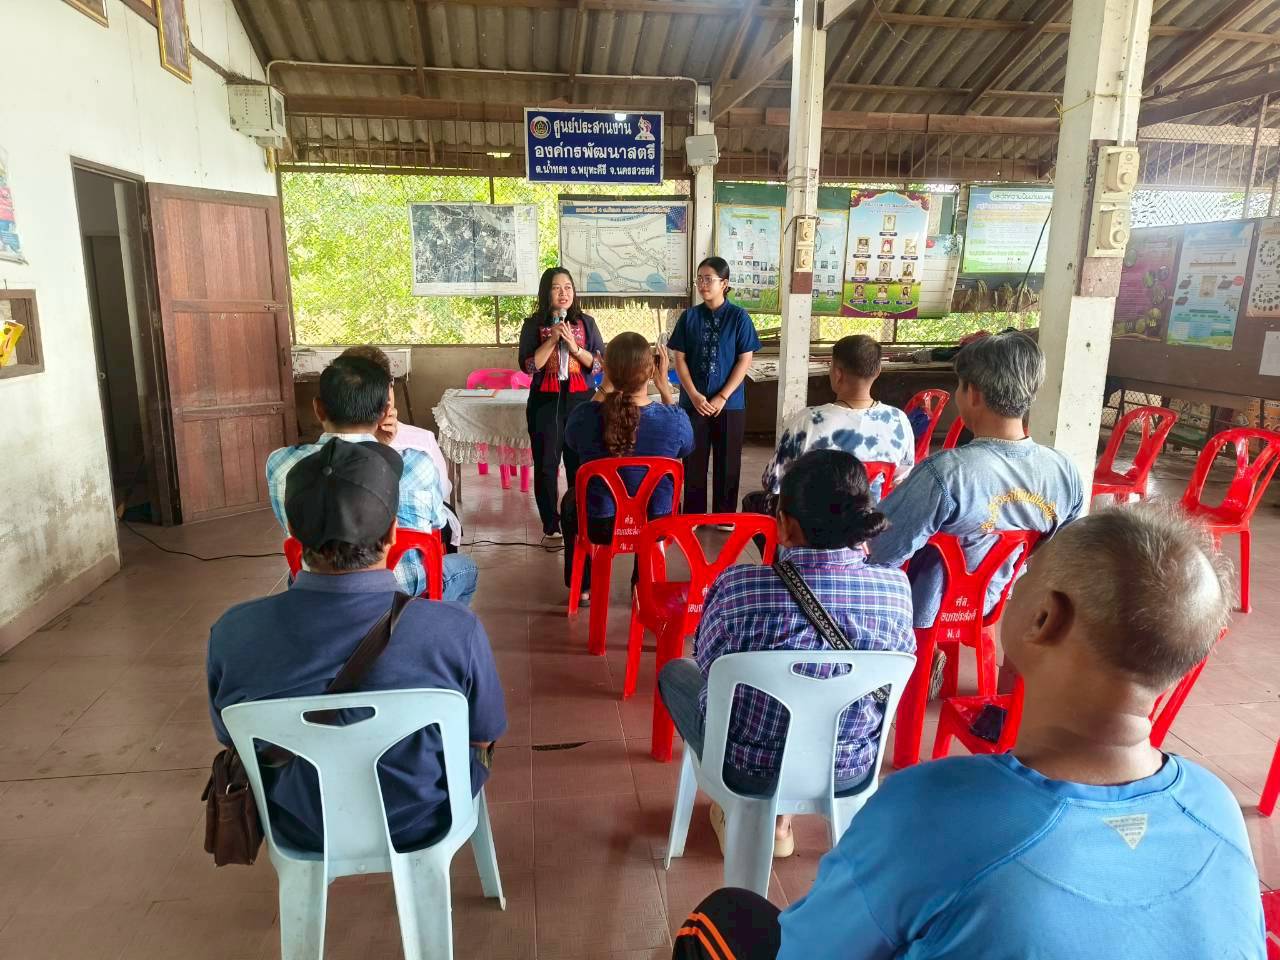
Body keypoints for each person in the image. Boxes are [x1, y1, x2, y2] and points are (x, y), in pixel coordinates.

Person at [672, 504, 1264, 960]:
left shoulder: (933, 809)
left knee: (722, 918)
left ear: (1042, 617)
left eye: (1024, 572)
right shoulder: (1215, 808)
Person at [210, 439, 505, 852]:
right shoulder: (454, 629)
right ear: (392, 535)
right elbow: (483, 737)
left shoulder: (232, 633)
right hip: (425, 818)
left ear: (293, 537)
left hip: (299, 825)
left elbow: (231, 736)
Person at [658, 449, 913, 858]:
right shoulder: (896, 591)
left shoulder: (741, 587)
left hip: (749, 770)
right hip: (848, 768)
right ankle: (780, 823)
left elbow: (709, 666)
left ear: (785, 523)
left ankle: (745, 813)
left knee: (676, 672)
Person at [868, 331, 1084, 628]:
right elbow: (1059, 553)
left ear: (974, 393)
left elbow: (878, 549)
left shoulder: (947, 472)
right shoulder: (1064, 471)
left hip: (924, 611)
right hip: (998, 603)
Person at [266, 355, 479, 606]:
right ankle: (426, 626)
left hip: (313, 583)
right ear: (386, 412)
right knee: (466, 568)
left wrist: (377, 447)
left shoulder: (282, 464)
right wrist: (379, 447)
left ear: (318, 408)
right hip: (403, 587)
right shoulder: (417, 464)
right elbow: (436, 522)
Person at [561, 332, 694, 606]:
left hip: (600, 525)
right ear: (652, 371)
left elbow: (572, 441)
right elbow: (687, 447)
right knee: (653, 499)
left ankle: (584, 586)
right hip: (655, 525)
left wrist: (603, 386)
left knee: (570, 502)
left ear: (606, 369)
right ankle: (641, 582)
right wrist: (666, 388)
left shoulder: (586, 416)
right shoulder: (674, 420)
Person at [743, 335, 913, 516]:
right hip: (869, 520)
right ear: (878, 371)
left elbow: (772, 482)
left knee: (753, 501)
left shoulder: (809, 421)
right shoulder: (898, 421)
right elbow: (901, 479)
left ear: (838, 374)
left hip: (814, 525)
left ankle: (783, 545)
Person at [339, 344, 461, 548]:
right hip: (411, 567)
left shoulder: (303, 462)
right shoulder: (419, 446)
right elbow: (441, 493)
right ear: (388, 391)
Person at [517, 267, 606, 542]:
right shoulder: (533, 325)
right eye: (557, 288)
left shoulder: (586, 323)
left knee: (579, 463)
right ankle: (551, 524)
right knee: (546, 464)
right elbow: (529, 365)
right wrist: (553, 338)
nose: (563, 293)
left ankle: (579, 517)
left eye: (568, 287)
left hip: (582, 401)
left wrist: (576, 348)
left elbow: (599, 364)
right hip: (546, 401)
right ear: (547, 292)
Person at [670, 257, 761, 517]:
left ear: (725, 283)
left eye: (708, 279)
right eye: (699, 278)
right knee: (694, 459)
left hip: (729, 403)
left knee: (728, 459)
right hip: (693, 402)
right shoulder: (689, 317)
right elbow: (679, 358)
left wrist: (722, 396)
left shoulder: (739, 317)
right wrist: (694, 395)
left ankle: (725, 514)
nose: (702, 284)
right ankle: (694, 514)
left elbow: (745, 358)